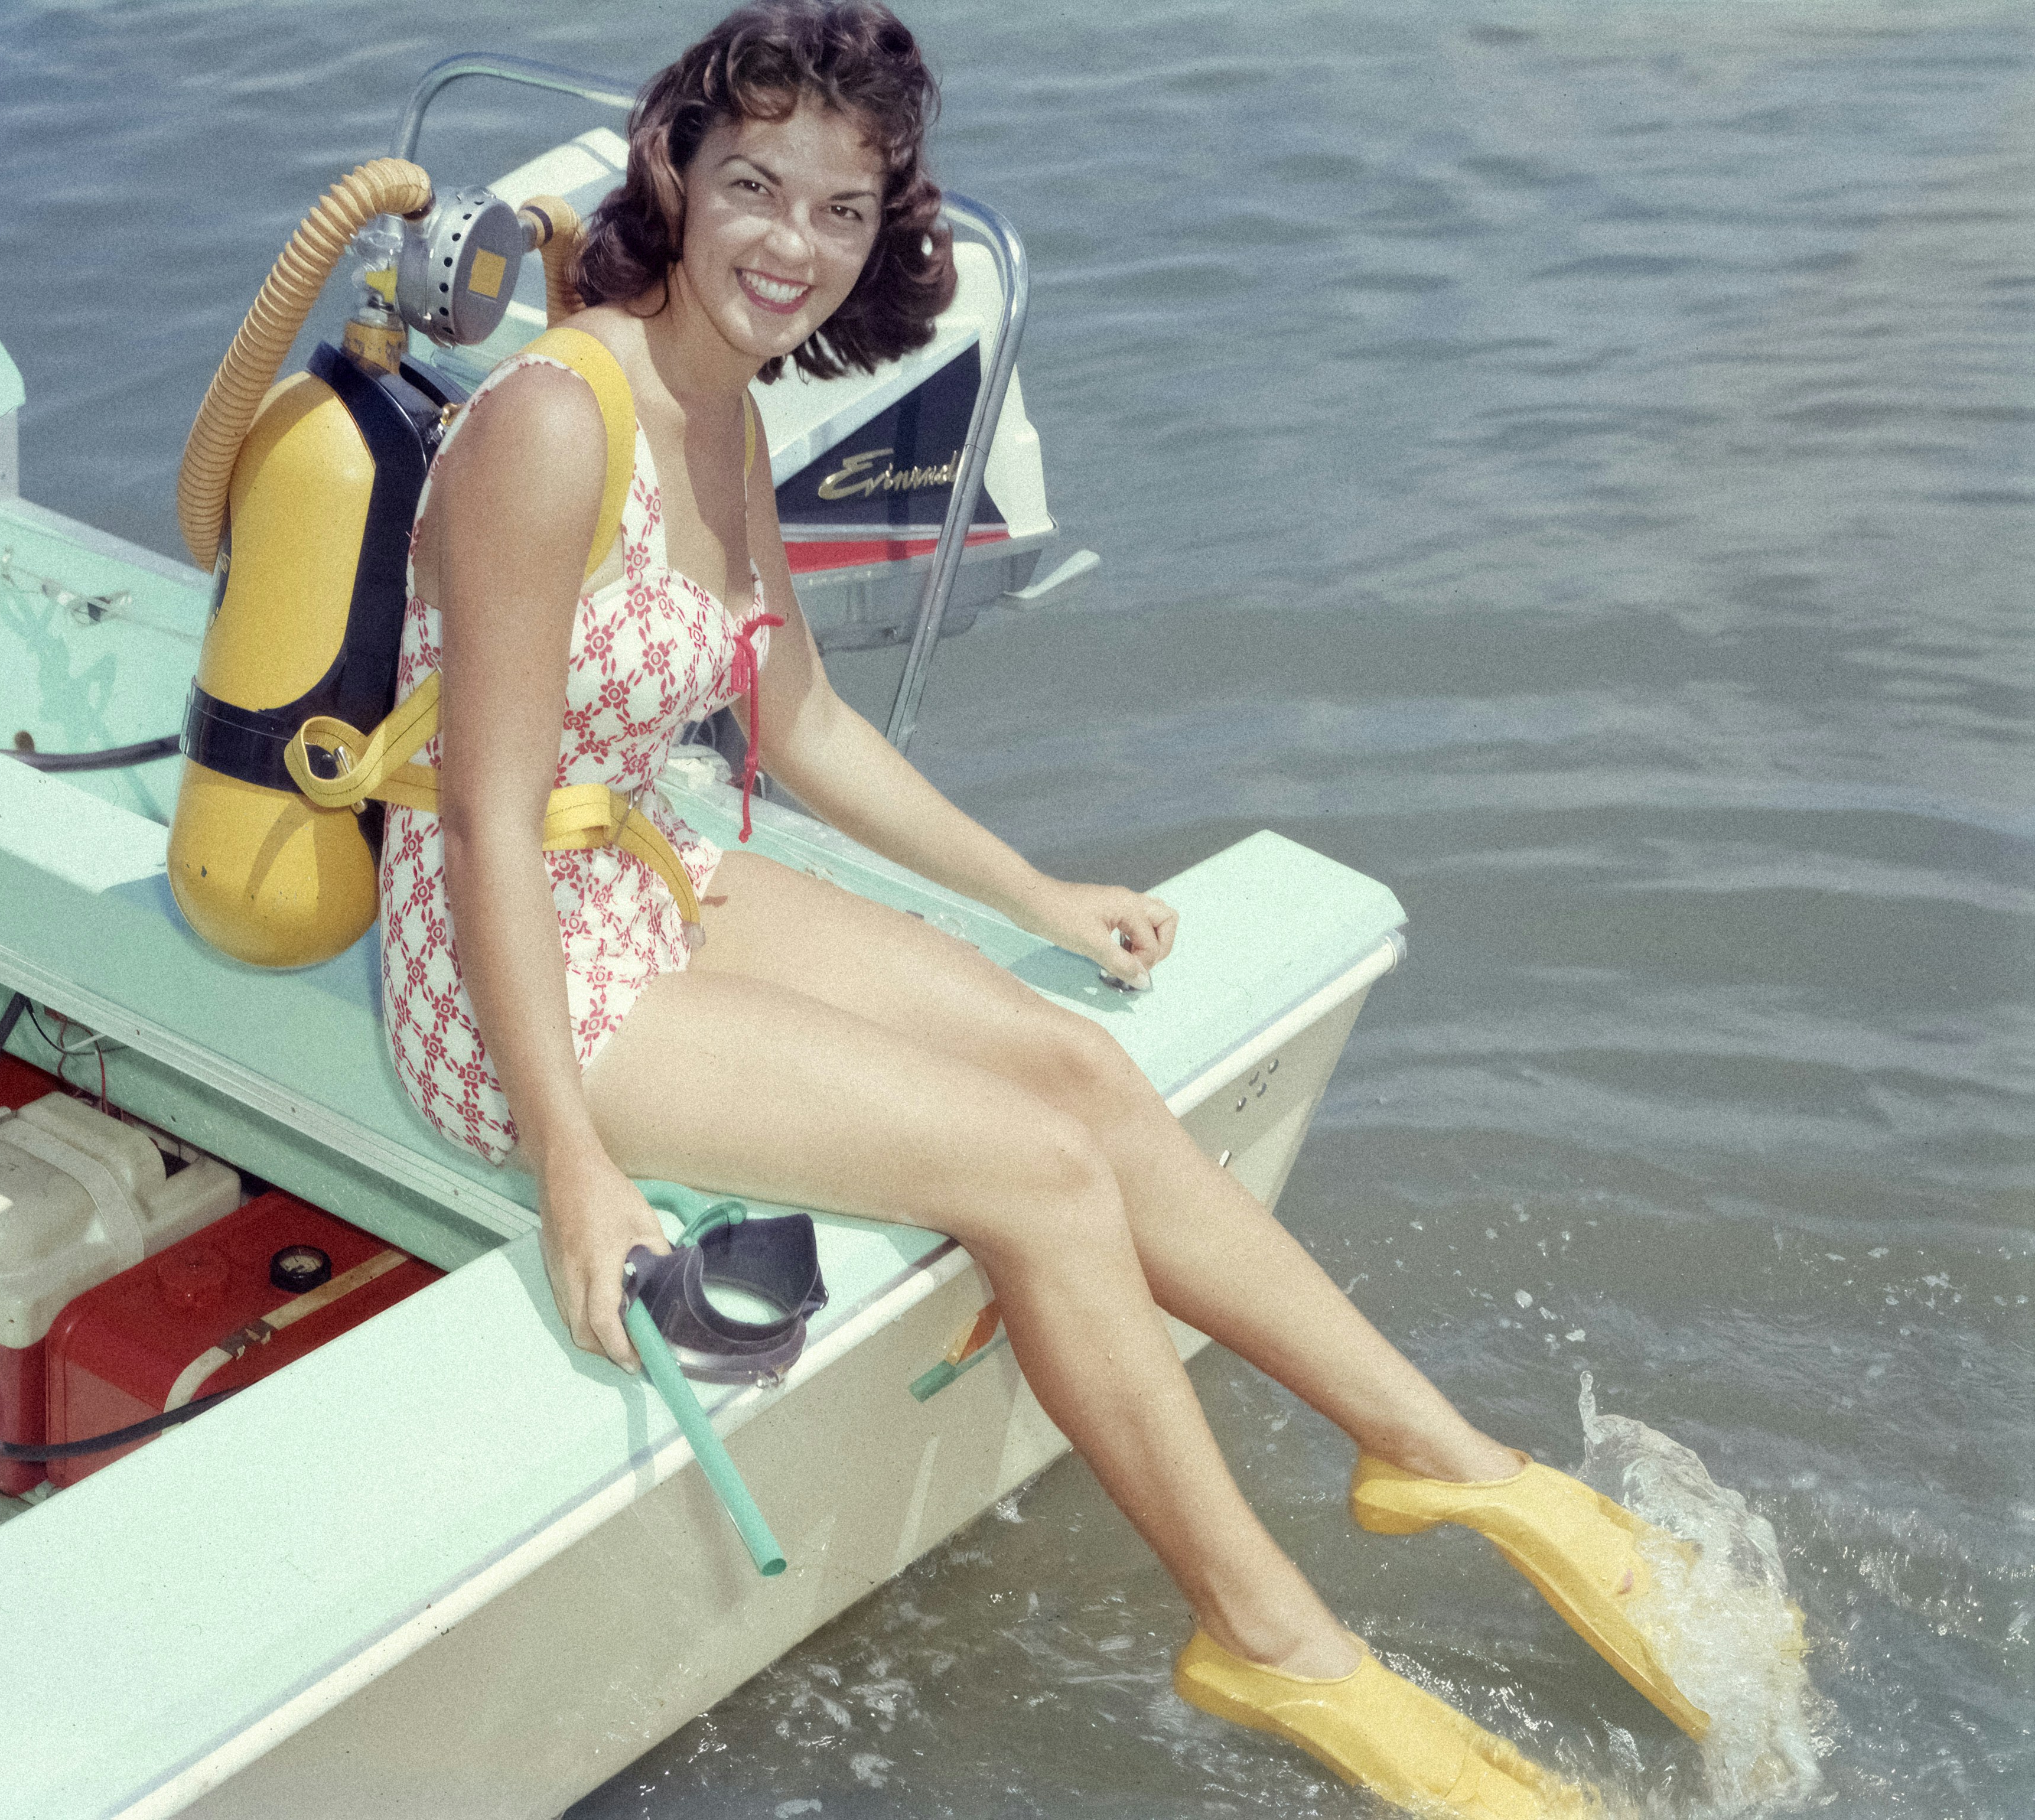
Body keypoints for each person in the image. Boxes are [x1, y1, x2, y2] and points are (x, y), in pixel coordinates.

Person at [380, 4, 1695, 1813]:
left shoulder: (723, 405)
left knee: (1073, 1066)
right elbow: (479, 817)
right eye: (754, 187)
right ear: (672, 170)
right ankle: (1268, 1635)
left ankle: (1439, 1453)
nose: (791, 245)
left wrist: (1039, 893)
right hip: (504, 956)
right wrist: (572, 1165)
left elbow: (800, 720)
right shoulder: (554, 421)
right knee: (1036, 1169)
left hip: (637, 861)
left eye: (840, 212)